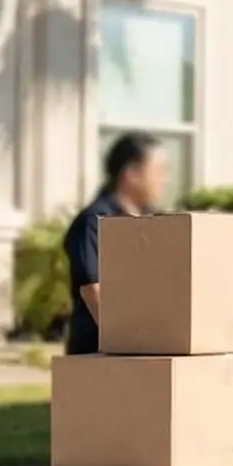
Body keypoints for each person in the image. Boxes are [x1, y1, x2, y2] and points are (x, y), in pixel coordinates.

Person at [63, 132, 171, 356]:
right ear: (132, 173)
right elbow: (93, 291)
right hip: (100, 357)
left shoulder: (153, 221)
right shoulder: (94, 221)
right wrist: (131, 347)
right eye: (159, 171)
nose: (165, 179)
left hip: (146, 352)